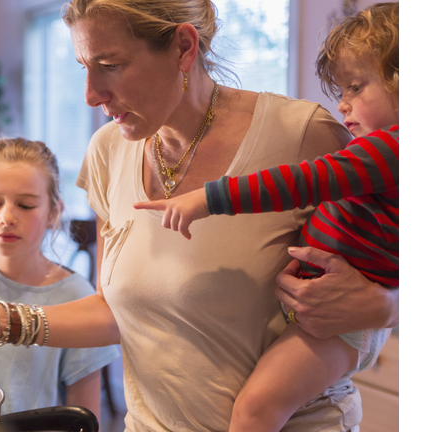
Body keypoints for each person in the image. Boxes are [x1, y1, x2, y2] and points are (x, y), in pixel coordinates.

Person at [0, 2, 399, 430]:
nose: (91, 94)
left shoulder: (300, 135)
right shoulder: (107, 153)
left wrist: (389, 308)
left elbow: (385, 260)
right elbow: (119, 311)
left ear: (184, 47)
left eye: (111, 65)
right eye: (84, 67)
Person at [133, 4, 399, 431]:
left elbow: (302, 181)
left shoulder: (390, 149)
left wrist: (206, 199)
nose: (343, 106)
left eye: (355, 87)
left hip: (334, 327)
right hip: (322, 314)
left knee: (256, 409)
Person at [0, 137, 120, 419]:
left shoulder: (79, 297)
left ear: (53, 213)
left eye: (25, 206)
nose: (6, 217)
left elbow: (84, 417)